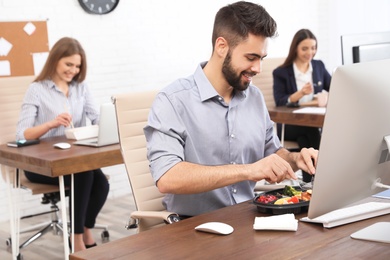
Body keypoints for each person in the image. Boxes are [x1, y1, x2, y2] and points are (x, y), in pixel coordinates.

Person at [144, 1, 318, 218]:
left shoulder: (253, 97)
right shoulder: (172, 101)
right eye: (251, 57)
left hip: (248, 218)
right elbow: (167, 177)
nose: (258, 68)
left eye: (261, 58)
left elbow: (272, 151)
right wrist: (248, 170)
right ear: (221, 47)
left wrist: (295, 159)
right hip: (193, 228)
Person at [16, 37, 109, 252]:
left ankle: (85, 229)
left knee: (101, 183)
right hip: (40, 164)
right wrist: (51, 123)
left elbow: (95, 117)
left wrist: (106, 125)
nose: (73, 70)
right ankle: (77, 239)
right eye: (69, 64)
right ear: (55, 60)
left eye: (77, 66)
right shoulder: (37, 89)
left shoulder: (81, 88)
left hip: (73, 159)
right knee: (84, 174)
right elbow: (22, 133)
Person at [272, 29, 331, 182]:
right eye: (305, 48)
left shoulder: (318, 66)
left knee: (305, 141)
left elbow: (335, 88)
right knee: (309, 130)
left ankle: (310, 180)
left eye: (313, 48)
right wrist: (300, 94)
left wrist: (325, 97)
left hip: (310, 123)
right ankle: (323, 174)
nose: (310, 52)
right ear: (295, 49)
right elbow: (279, 101)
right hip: (290, 124)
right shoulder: (281, 72)